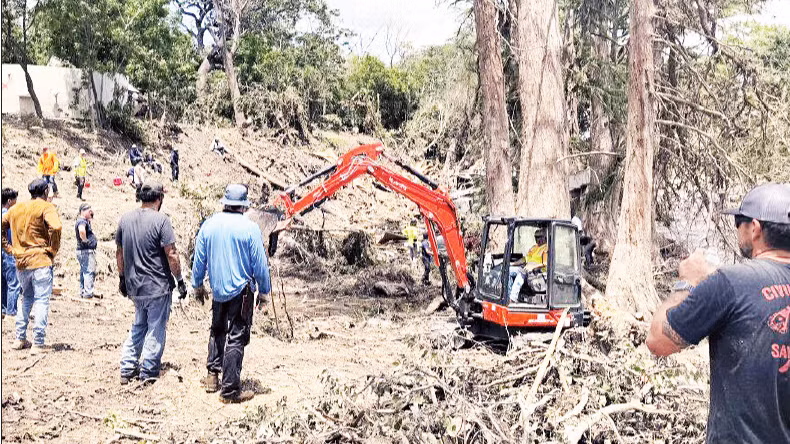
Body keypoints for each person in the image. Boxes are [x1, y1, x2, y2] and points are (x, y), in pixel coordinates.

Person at [646, 183, 790, 443]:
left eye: (739, 221)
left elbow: (658, 341)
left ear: (755, 228)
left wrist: (687, 283)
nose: (736, 229)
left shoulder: (731, 283)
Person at [192, 184, 271, 404]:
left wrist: (197, 285)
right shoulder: (250, 228)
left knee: (217, 330)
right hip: (241, 293)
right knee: (236, 337)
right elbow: (260, 265)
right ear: (244, 206)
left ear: (225, 203)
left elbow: (199, 260)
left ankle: (212, 377)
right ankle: (229, 390)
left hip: (218, 290)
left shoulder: (209, 225)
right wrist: (264, 292)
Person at [116, 180, 187, 384]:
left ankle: (128, 366)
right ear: (160, 198)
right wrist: (180, 280)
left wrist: (122, 278)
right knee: (156, 327)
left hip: (135, 285)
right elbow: (171, 254)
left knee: (139, 325)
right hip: (157, 285)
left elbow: (119, 253)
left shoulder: (125, 219)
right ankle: (148, 370)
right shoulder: (161, 221)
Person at [1, 179, 62, 354]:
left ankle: (19, 338)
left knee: (25, 298)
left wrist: (9, 248)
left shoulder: (16, 208)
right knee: (42, 300)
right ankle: (38, 342)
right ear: (45, 191)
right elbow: (56, 227)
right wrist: (53, 249)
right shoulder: (46, 207)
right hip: (40, 259)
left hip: (21, 261)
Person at [509, 227, 548, 302]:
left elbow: (545, 263)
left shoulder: (546, 248)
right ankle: (508, 295)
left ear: (545, 237)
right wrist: (512, 264)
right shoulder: (534, 247)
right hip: (527, 267)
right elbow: (525, 259)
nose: (538, 240)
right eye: (536, 237)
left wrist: (533, 266)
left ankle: (513, 298)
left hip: (537, 272)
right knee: (507, 271)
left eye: (540, 237)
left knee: (522, 272)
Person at [2, 188, 20, 319]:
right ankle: (11, 311)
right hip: (8, 252)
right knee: (13, 282)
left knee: (3, 282)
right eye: (15, 200)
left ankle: (3, 309)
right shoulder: (8, 216)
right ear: (9, 201)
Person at [75, 203, 97, 299]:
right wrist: (85, 241)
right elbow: (82, 231)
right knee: (89, 271)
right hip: (86, 251)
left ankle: (83, 291)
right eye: (89, 211)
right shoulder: (82, 221)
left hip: (83, 250)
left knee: (84, 271)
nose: (90, 212)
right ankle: (88, 292)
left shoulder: (84, 221)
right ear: (83, 211)